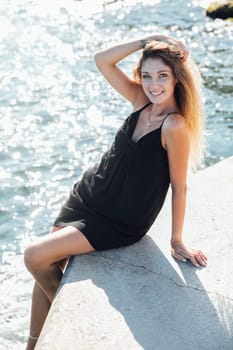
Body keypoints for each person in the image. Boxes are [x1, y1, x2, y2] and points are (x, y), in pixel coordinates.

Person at [24, 34, 207, 349]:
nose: (154, 85)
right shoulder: (140, 101)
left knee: (34, 257)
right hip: (89, 195)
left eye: (162, 76)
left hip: (119, 219)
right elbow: (101, 59)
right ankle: (33, 346)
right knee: (48, 269)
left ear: (177, 77)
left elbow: (180, 185)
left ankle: (73, 327)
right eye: (147, 76)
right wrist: (146, 41)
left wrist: (177, 240)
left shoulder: (174, 126)